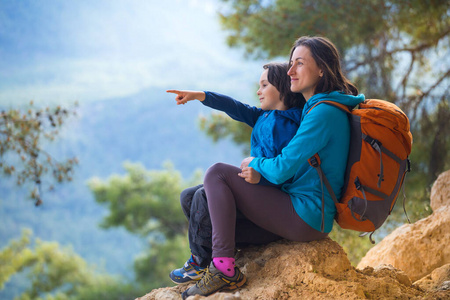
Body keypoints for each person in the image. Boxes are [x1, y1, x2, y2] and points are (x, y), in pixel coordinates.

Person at [179, 36, 365, 299]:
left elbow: (281, 169)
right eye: (291, 64)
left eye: (299, 63)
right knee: (196, 199)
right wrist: (203, 96)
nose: (290, 71)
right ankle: (208, 262)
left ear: (321, 69)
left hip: (305, 214)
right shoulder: (314, 109)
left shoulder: (324, 113)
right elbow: (241, 111)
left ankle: (223, 269)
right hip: (292, 209)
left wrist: (255, 163)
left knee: (218, 173)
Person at [166, 62, 306, 285]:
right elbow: (234, 106)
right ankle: (206, 255)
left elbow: (291, 172)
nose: (258, 91)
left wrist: (261, 175)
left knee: (205, 193)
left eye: (264, 85)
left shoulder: (292, 126)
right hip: (256, 209)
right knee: (190, 197)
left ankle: (201, 263)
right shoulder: (263, 116)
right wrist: (200, 95)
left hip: (274, 214)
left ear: (282, 88)